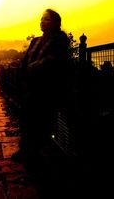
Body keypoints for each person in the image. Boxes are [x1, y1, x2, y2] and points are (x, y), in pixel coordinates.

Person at [12, 8, 70, 162]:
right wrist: (22, 72)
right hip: (29, 88)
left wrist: (37, 65)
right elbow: (25, 61)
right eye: (41, 19)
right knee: (26, 119)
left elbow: (56, 59)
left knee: (42, 121)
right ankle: (25, 150)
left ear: (55, 23)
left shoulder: (60, 39)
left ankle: (38, 153)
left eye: (46, 19)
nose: (42, 22)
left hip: (46, 89)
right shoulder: (35, 40)